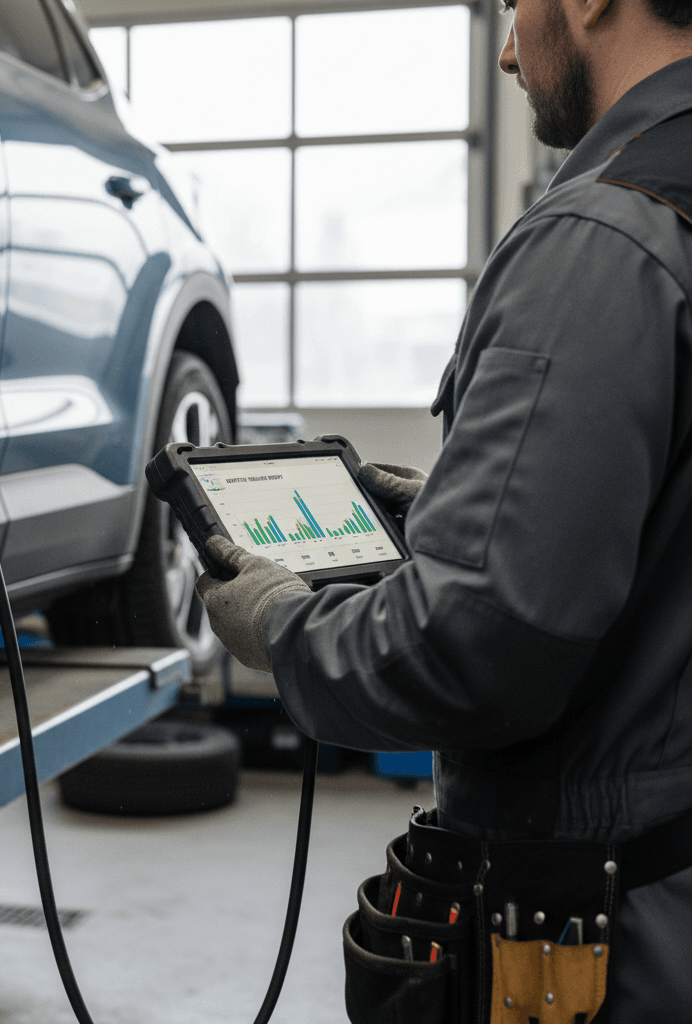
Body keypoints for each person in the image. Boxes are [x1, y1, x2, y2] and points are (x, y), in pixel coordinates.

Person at [196, 0, 692, 1019]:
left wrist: (286, 628)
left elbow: (475, 652)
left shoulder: (600, 234)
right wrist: (483, 518)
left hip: (601, 944)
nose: (509, 47)